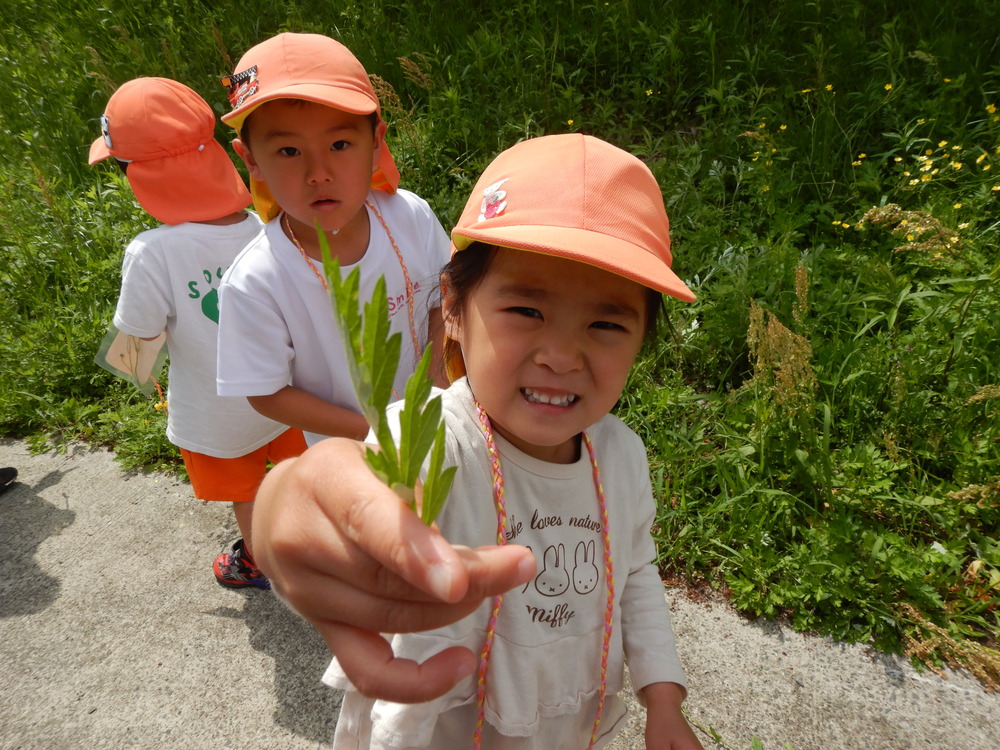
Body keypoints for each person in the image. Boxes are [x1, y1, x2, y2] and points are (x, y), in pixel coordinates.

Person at [256, 134, 704, 749]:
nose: (561, 356)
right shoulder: (432, 438)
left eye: (605, 323)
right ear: (456, 309)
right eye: (525, 310)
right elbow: (348, 491)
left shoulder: (622, 455)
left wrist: (663, 698)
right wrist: (291, 498)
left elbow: (636, 573)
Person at [89, 77, 307, 591]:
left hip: (216, 411)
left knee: (248, 492)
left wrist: (139, 377)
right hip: (288, 392)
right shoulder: (260, 225)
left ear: (141, 179)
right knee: (293, 477)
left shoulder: (153, 251)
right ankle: (310, 540)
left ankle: (262, 564)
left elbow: (137, 340)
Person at [215, 32, 451, 449]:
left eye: (340, 144)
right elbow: (266, 391)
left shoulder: (410, 216)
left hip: (441, 421)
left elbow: (443, 300)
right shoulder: (255, 281)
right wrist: (376, 433)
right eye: (289, 151)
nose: (318, 172)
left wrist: (436, 386)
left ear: (376, 143)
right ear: (251, 159)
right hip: (347, 453)